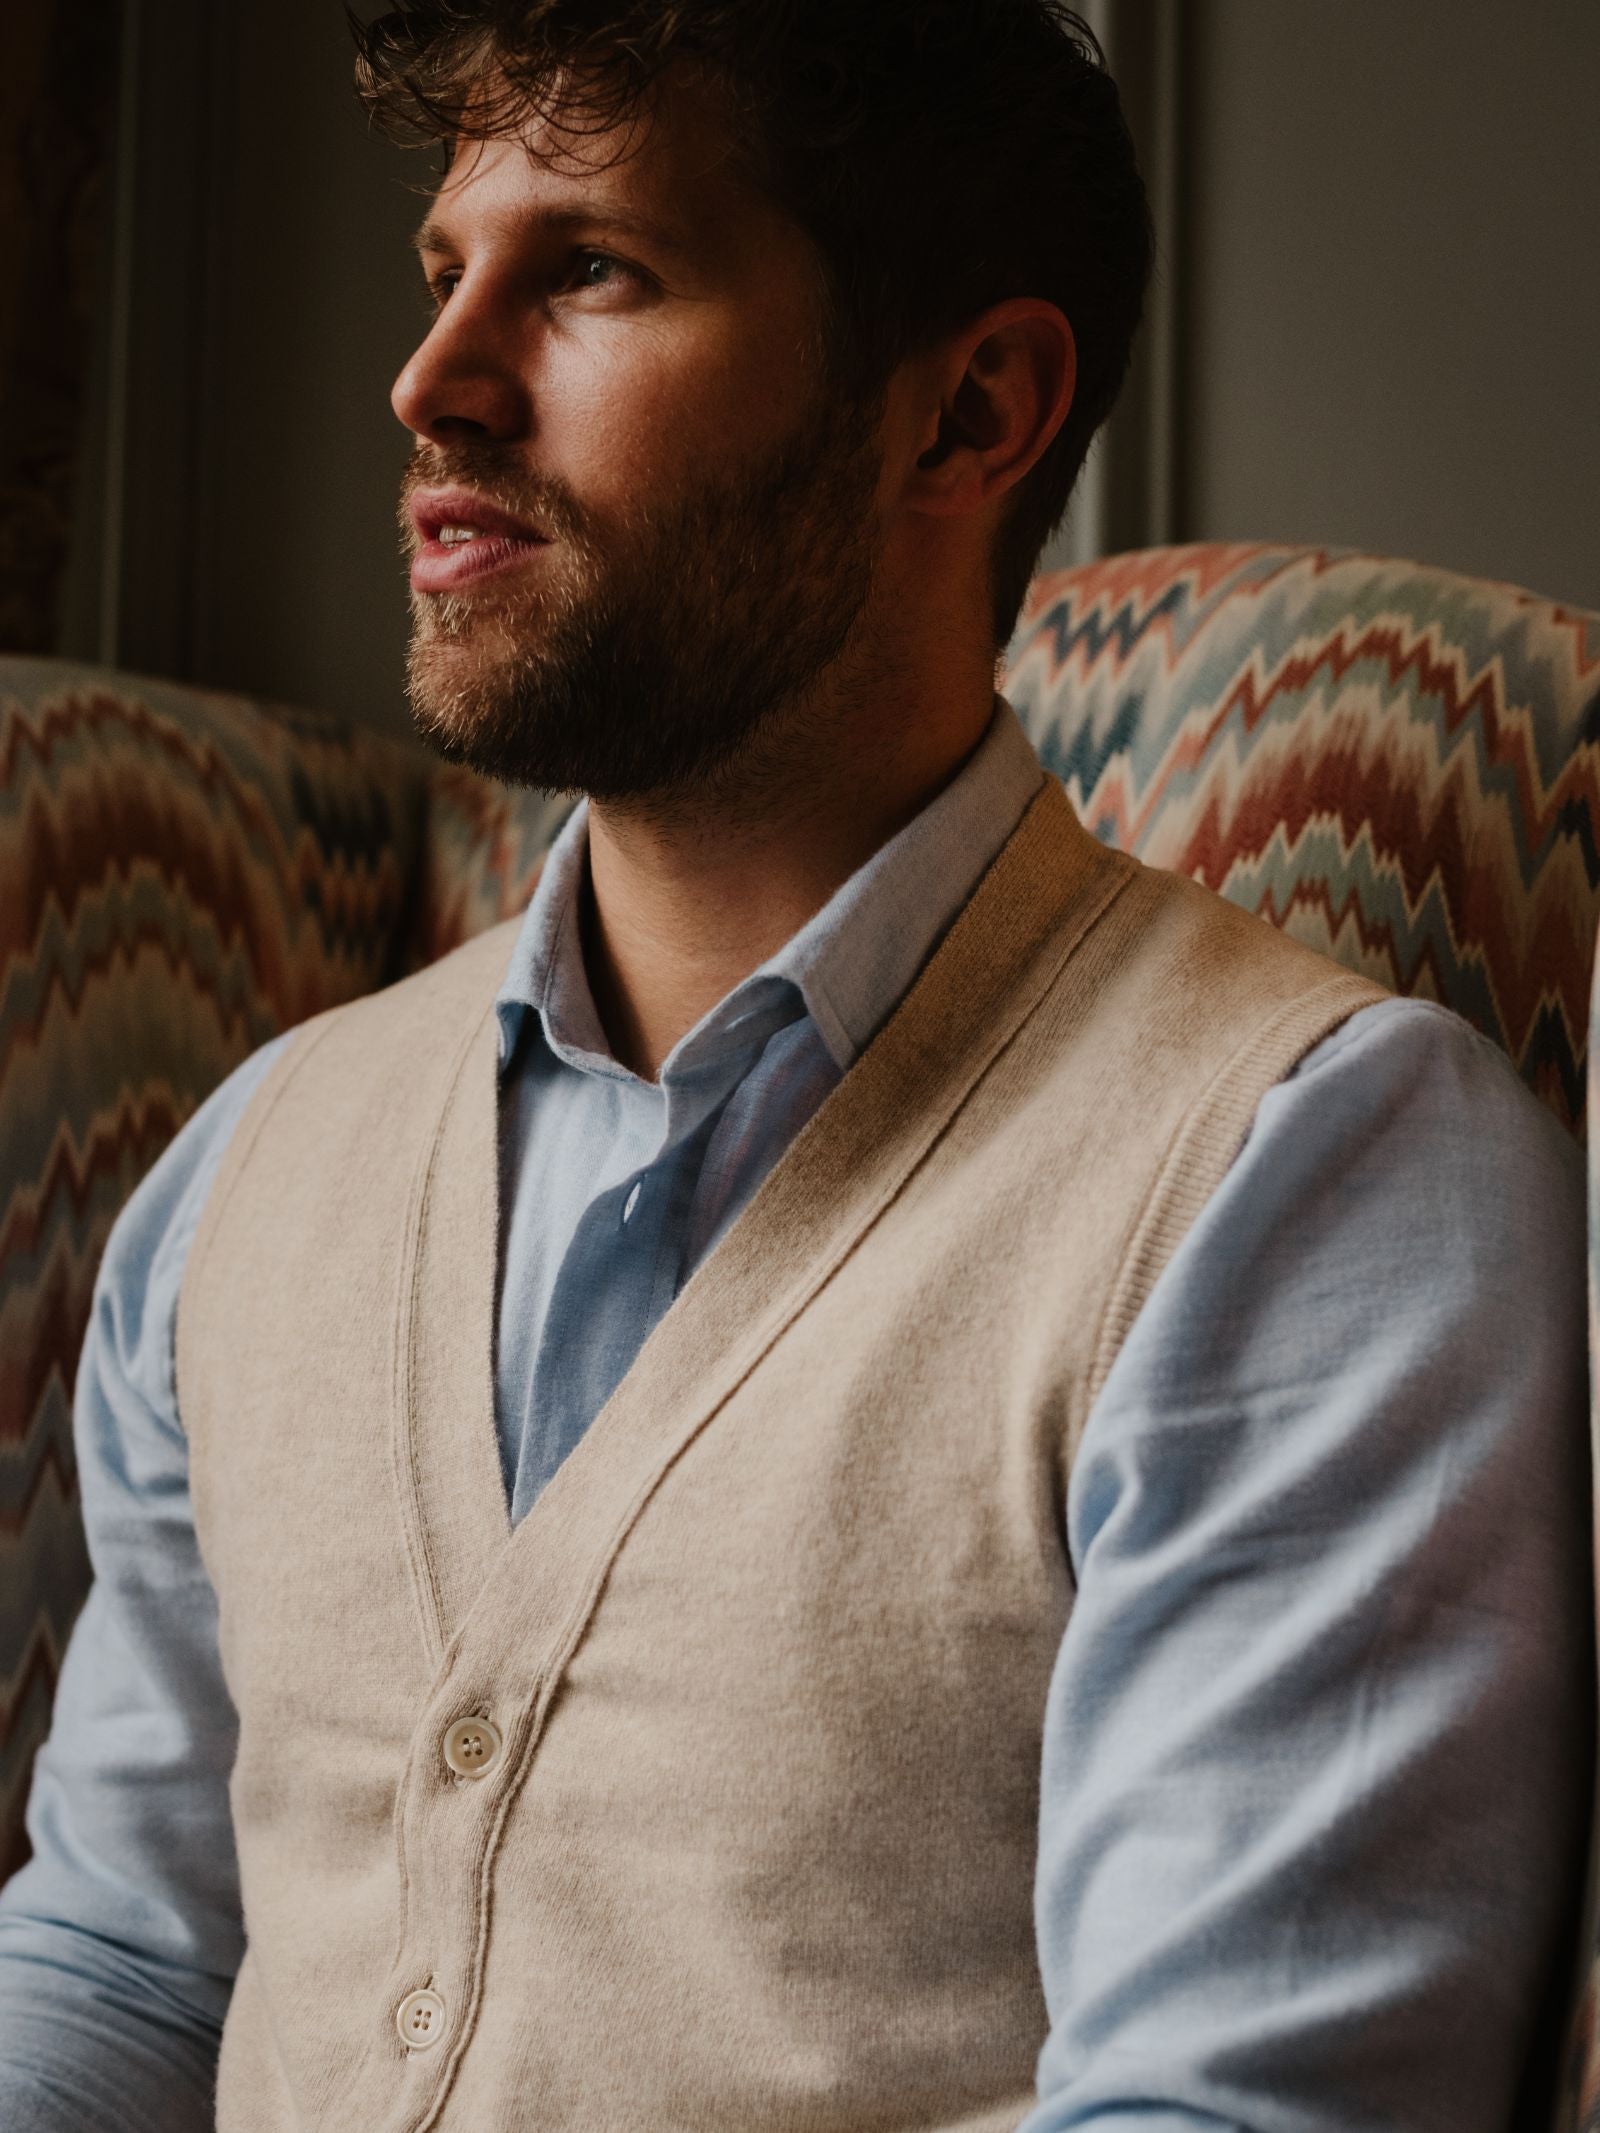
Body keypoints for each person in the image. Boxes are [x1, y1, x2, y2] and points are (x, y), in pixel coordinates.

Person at [0, 4, 1590, 2129]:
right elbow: (118, 1953)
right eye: (440, 268)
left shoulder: (1312, 1181)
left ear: (970, 408)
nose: (431, 381)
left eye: (587, 270)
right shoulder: (246, 1167)